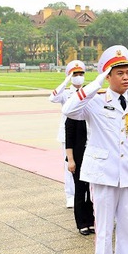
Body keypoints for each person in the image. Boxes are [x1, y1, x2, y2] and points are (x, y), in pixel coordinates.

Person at [63, 45, 128, 254]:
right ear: (108, 76)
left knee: (126, 229)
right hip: (103, 173)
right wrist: (96, 81)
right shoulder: (95, 100)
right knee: (103, 231)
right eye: (119, 73)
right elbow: (68, 109)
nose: (126, 77)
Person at [49, 60, 86, 208]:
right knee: (70, 166)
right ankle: (70, 196)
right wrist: (66, 80)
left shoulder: (87, 91)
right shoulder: (65, 93)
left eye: (81, 74)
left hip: (85, 133)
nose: (78, 76)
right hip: (68, 134)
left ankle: (84, 194)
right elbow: (52, 98)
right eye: (75, 74)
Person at [63, 61, 94, 236]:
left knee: (91, 191)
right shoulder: (73, 114)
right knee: (80, 190)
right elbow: (69, 139)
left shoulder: (91, 114)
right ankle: (81, 222)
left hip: (92, 156)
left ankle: (91, 221)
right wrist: (71, 160)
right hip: (78, 157)